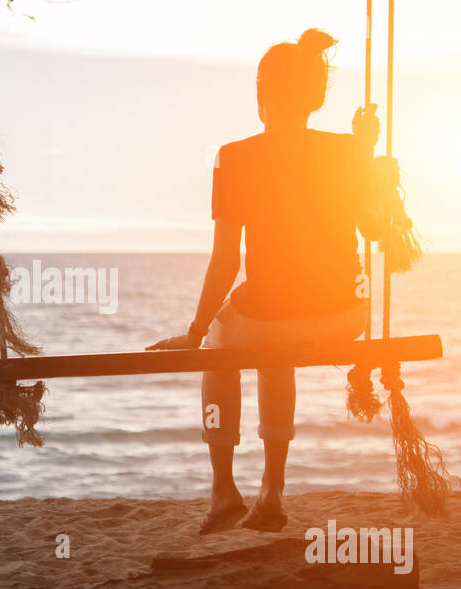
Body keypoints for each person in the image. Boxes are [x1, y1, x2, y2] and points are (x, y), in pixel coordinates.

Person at [147, 28, 383, 535]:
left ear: (261, 95)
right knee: (276, 343)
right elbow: (377, 229)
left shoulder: (235, 157)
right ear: (316, 97)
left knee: (224, 342)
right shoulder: (346, 151)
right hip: (345, 316)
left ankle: (222, 488)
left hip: (276, 317)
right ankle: (272, 490)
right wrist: (367, 156)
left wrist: (194, 332)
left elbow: (225, 262)